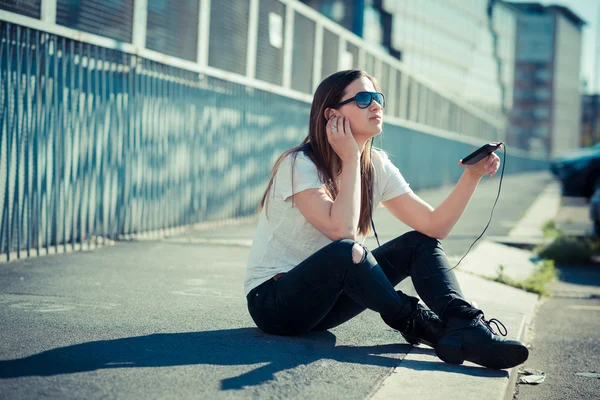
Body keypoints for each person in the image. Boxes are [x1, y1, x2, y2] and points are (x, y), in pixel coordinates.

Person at [244, 70, 528, 370]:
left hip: (327, 304)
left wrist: (471, 176)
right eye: (363, 99)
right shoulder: (299, 164)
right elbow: (341, 232)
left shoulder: (377, 164)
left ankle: (464, 326)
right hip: (275, 304)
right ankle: (424, 325)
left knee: (419, 244)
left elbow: (434, 226)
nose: (376, 106)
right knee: (346, 252)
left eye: (377, 98)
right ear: (331, 115)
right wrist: (351, 159)